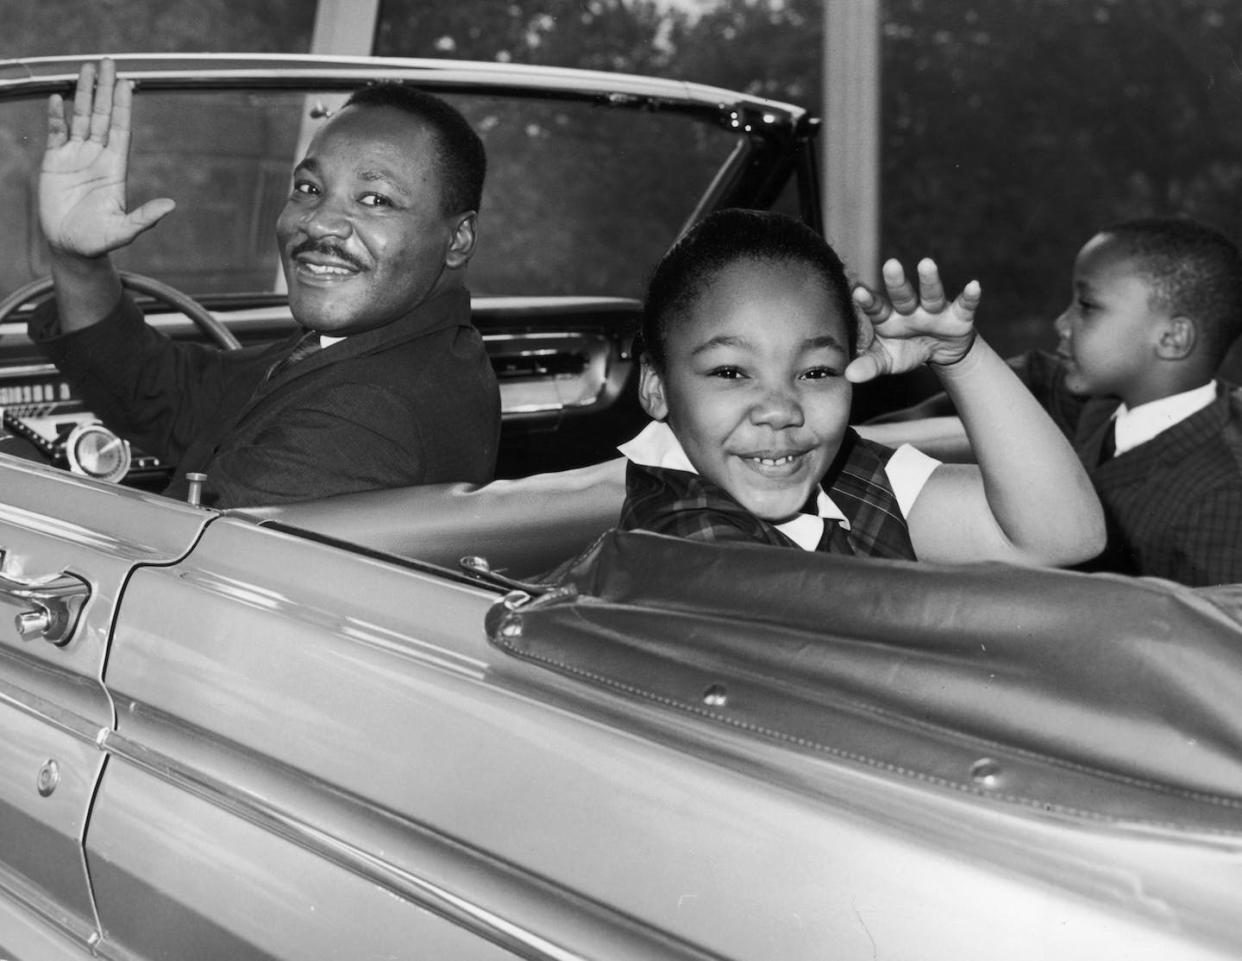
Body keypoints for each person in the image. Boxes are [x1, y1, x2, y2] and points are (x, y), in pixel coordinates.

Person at [29, 58, 500, 508]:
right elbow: (169, 395)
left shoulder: (370, 412)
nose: (319, 224)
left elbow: (170, 558)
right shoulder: (362, 348)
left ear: (458, 239)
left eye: (376, 199)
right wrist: (78, 260)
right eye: (310, 189)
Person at [618, 209, 1105, 565]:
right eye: (730, 373)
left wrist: (961, 360)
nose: (780, 410)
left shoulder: (844, 473)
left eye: (815, 373)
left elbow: (1065, 535)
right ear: (656, 387)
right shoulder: (681, 542)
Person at [863, 217, 1242, 586]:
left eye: (1087, 306)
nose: (1061, 322)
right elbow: (1018, 386)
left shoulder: (1223, 494)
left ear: (1172, 338)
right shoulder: (1096, 403)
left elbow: (1216, 637)